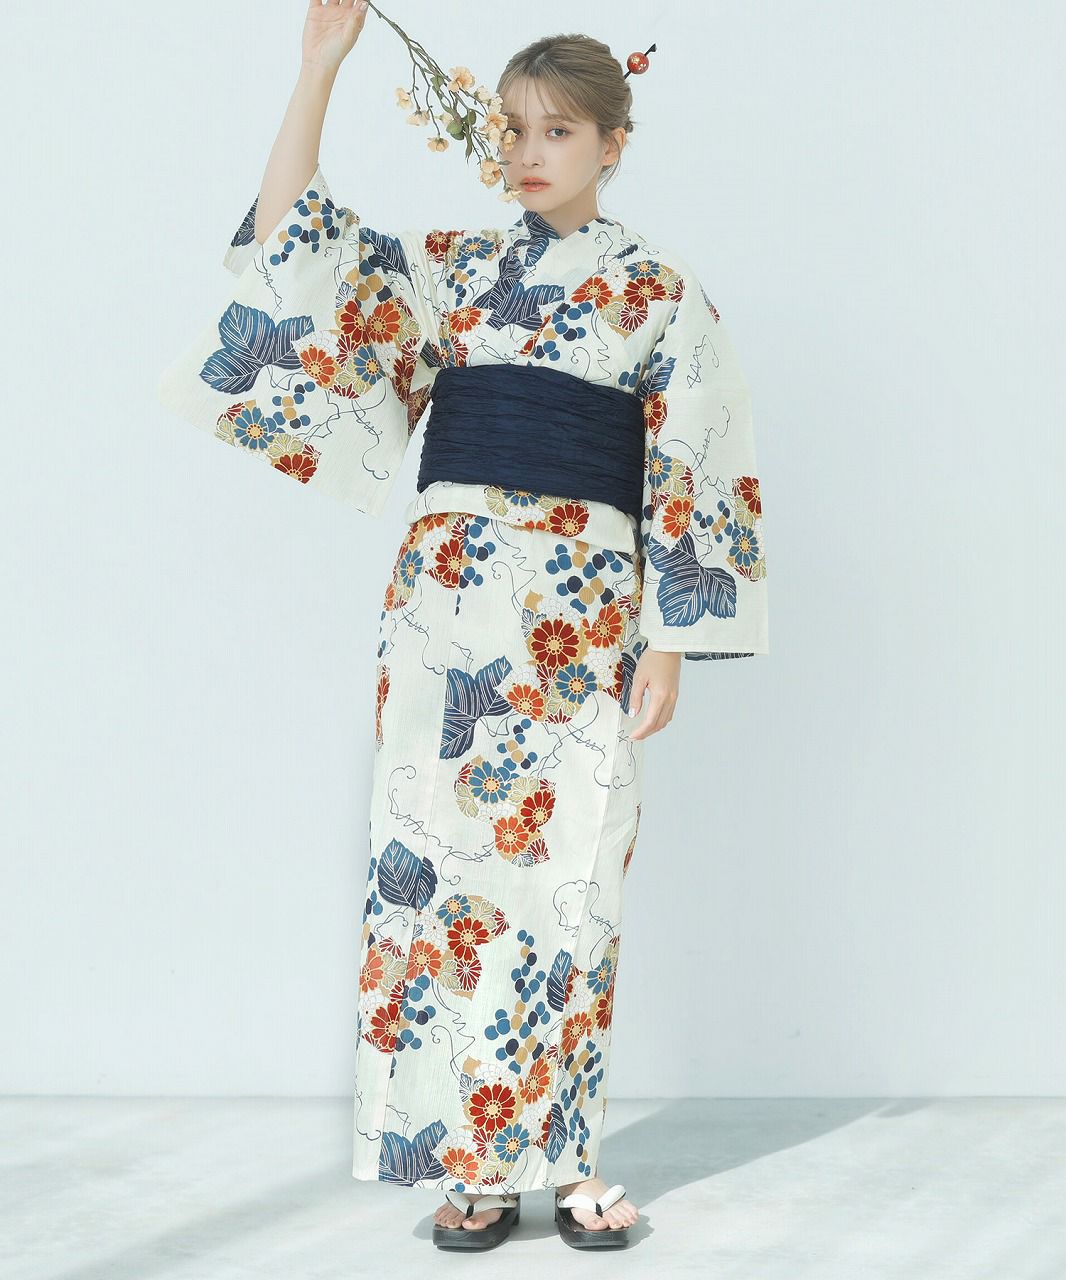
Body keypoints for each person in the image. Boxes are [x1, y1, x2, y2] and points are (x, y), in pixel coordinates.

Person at [157, 0, 768, 1253]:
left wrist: (666, 638)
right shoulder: (450, 269)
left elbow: (693, 463)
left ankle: (571, 1156)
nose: (529, 152)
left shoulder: (659, 291)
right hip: (446, 601)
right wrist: (318, 72)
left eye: (559, 130)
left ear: (612, 142)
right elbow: (292, 245)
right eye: (512, 130)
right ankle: (475, 1162)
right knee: (436, 870)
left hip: (584, 609)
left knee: (576, 872)